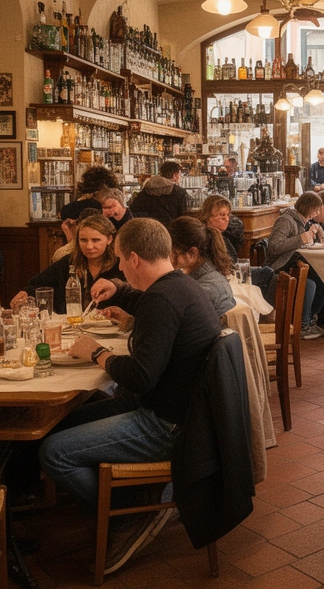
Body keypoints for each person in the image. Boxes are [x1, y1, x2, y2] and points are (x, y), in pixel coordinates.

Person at [42, 218, 220, 574]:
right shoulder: (180, 286)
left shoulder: (163, 300)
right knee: (68, 418)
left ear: (135, 258)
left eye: (121, 261)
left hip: (164, 425)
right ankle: (128, 499)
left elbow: (140, 376)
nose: (119, 266)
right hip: (184, 414)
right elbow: (148, 305)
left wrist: (96, 353)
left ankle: (128, 514)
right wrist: (120, 289)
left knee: (53, 451)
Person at [13, 214, 122, 314]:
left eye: (95, 240)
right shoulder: (69, 262)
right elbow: (36, 285)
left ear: (109, 239)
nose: (89, 246)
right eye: (83, 240)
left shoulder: (121, 265)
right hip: (74, 327)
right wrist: (25, 294)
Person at [266, 192, 324, 340]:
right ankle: (303, 324)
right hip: (281, 267)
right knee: (316, 283)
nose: (318, 212)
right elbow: (274, 247)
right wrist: (301, 238)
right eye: (316, 208)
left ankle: (306, 321)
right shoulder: (286, 220)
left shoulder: (303, 221)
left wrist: (318, 232)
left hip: (295, 264)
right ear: (308, 207)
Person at [168, 216, 235, 316]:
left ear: (192, 253)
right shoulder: (209, 277)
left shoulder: (203, 290)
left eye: (173, 253)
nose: (169, 258)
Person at [128, 160, 189, 225]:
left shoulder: (146, 189)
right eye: (179, 174)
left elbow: (132, 212)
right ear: (174, 175)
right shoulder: (179, 192)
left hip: (146, 230)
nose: (180, 177)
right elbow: (184, 218)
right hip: (170, 232)